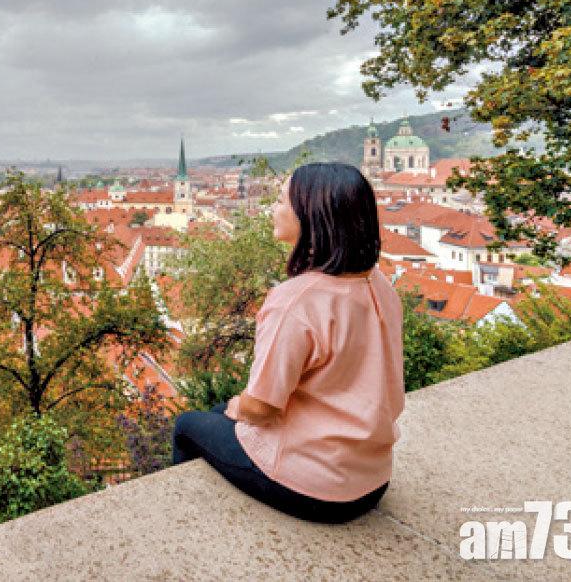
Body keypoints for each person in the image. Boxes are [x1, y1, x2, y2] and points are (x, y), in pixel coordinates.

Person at [171, 162, 405, 524]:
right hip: (372, 478)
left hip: (315, 489)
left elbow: (262, 407)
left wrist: (237, 405)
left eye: (281, 200)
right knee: (219, 413)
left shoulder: (297, 301)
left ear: (310, 216)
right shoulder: (378, 283)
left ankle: (182, 521)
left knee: (188, 425)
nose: (273, 209)